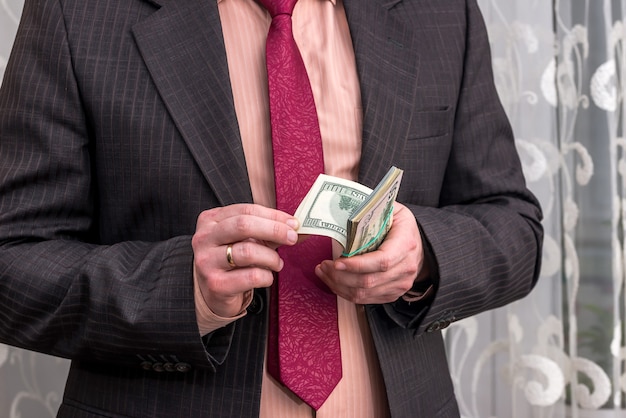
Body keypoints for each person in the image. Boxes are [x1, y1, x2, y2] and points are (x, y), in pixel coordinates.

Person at [0, 0, 543, 417]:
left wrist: (425, 255)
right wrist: (180, 291)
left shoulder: (441, 11)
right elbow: (12, 261)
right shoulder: (78, 12)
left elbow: (514, 225)